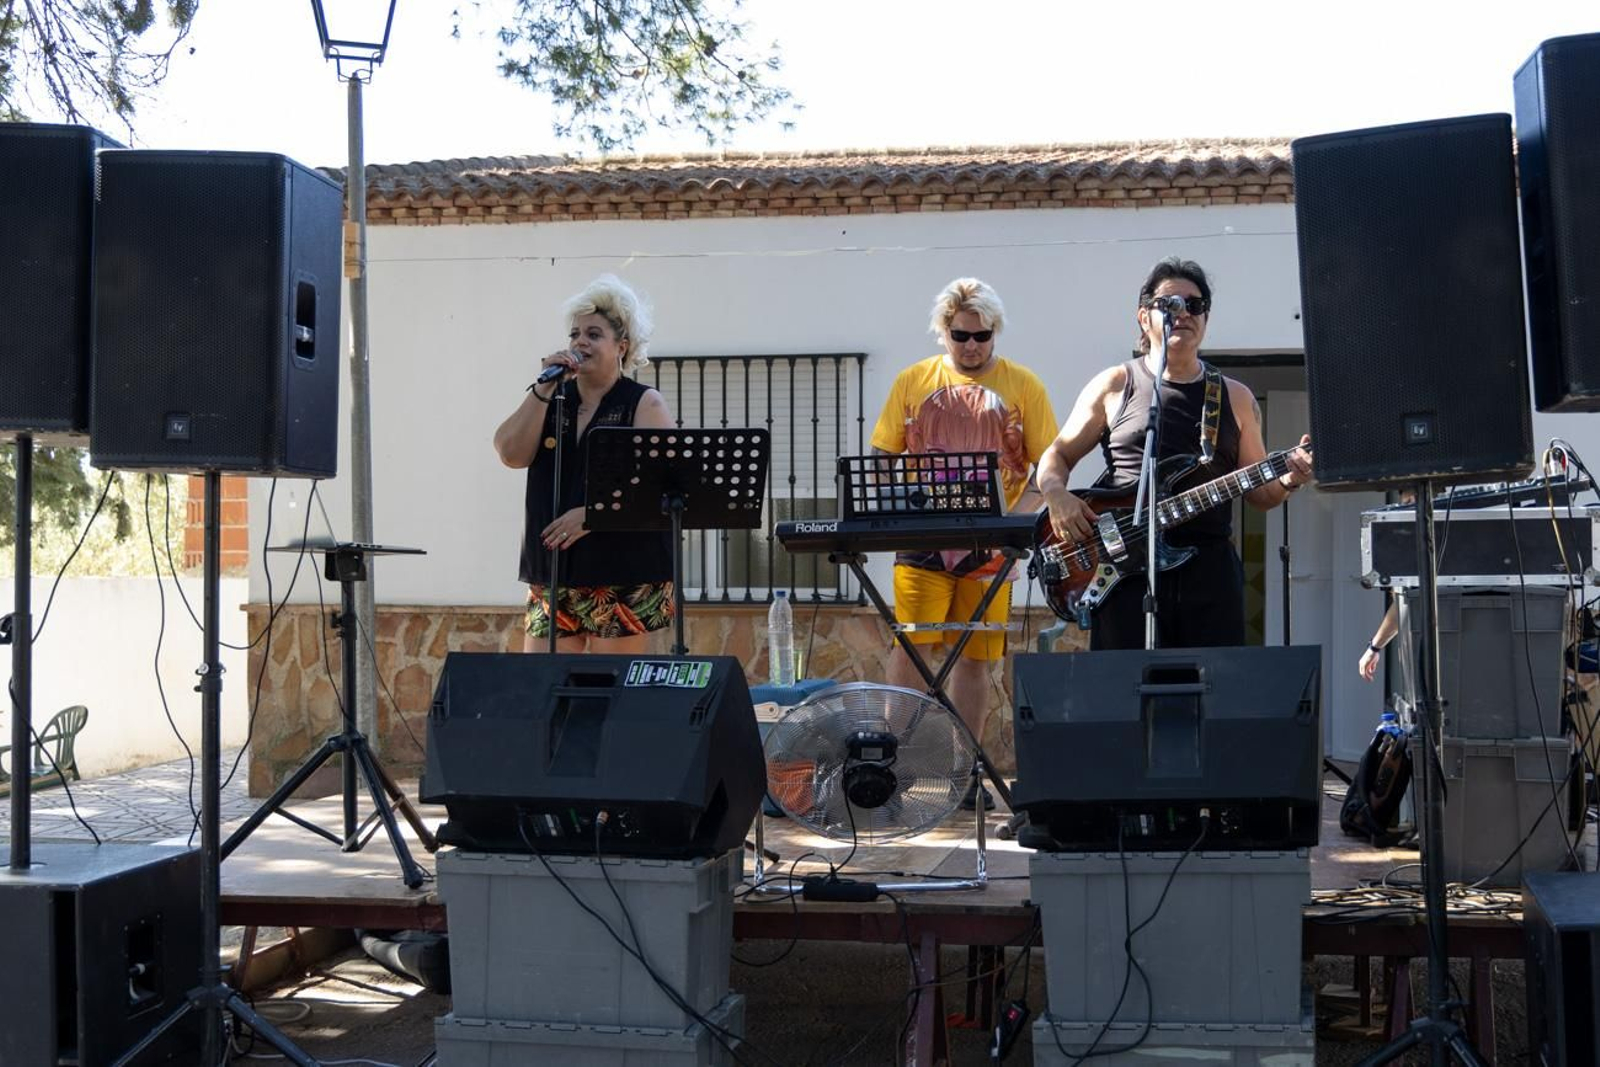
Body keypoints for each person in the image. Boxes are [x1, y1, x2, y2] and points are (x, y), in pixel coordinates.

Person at [1036, 257, 1314, 650]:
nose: (1183, 313)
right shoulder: (1116, 384)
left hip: (1208, 574)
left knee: (1209, 697)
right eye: (1169, 304)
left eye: (1195, 305)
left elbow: (1261, 494)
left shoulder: (1234, 396)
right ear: (1143, 316)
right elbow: (1057, 455)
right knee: (1125, 698)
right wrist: (1056, 496)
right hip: (1123, 570)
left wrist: (1289, 478)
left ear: (1206, 318)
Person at [871, 278, 1058, 809]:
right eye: (961, 336)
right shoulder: (914, 380)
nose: (972, 346)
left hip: (992, 542)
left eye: (982, 336)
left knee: (976, 657)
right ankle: (890, 766)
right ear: (944, 333)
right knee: (911, 648)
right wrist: (899, 501)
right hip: (925, 537)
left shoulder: (1024, 384)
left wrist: (1017, 521)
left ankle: (966, 769)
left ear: (995, 332)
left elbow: (1050, 462)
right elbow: (884, 453)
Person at [493, 275, 676, 653]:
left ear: (621, 347)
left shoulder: (643, 403)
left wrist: (594, 514)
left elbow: (664, 489)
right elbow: (511, 453)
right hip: (552, 574)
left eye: (594, 334)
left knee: (610, 696)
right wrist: (542, 388)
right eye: (575, 334)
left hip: (621, 572)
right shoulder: (553, 398)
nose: (579, 342)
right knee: (542, 695)